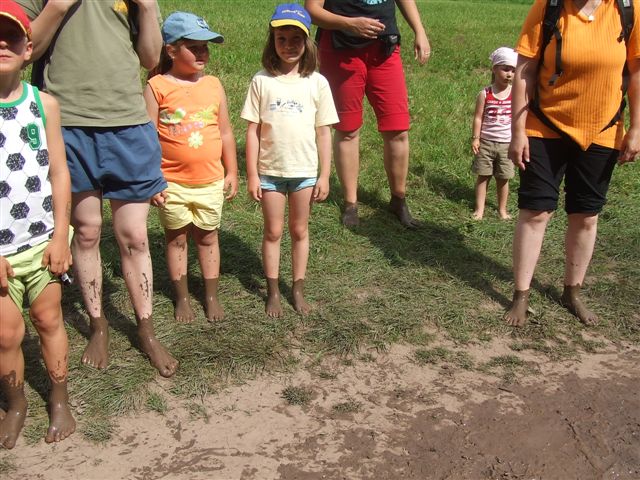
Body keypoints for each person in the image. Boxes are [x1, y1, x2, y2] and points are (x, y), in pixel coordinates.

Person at [16, 0, 178, 376]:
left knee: (135, 236)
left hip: (128, 125)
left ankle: (146, 330)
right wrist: (57, 6)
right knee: (87, 232)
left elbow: (151, 56)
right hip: (67, 124)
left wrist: (149, 8)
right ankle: (98, 324)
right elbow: (28, 50)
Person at [505, 0, 640, 327]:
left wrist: (636, 128)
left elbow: (636, 72)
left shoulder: (629, 8)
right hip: (544, 125)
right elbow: (525, 69)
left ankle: (572, 292)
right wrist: (517, 131)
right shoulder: (549, 6)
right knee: (535, 211)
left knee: (586, 215)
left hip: (603, 129)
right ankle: (520, 295)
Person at [0, 0, 75, 448]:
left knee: (49, 319)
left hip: (42, 240)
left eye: (10, 36)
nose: (0, 44)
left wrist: (61, 234)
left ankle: (59, 400)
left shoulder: (43, 103)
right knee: (7, 333)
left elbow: (60, 173)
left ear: (29, 48)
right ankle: (15, 403)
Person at [241, 3, 338, 317]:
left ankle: (297, 288)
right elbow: (253, 132)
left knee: (299, 231)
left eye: (296, 39)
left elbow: (324, 133)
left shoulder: (317, 83)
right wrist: (253, 175)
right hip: (269, 172)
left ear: (307, 42)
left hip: (304, 173)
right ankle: (272, 291)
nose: (289, 46)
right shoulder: (261, 81)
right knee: (272, 232)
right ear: (273, 41)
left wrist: (324, 175)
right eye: (282, 39)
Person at [144, 12, 238, 324]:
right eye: (194, 47)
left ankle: (211, 295)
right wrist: (151, 179)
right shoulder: (157, 86)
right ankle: (182, 297)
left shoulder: (213, 85)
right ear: (171, 50)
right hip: (171, 183)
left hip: (210, 180)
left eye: (206, 47)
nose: (202, 54)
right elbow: (148, 136)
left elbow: (225, 132)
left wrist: (233, 171)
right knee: (177, 238)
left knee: (208, 237)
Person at [304, 0, 430, 228]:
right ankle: (351, 203)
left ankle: (398, 199)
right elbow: (312, 10)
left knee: (397, 128)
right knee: (348, 129)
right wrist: (349, 24)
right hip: (340, 51)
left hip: (384, 50)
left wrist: (419, 30)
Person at [470, 47, 517, 220]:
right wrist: (476, 138)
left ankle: (502, 209)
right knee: (483, 176)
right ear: (494, 69)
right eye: (505, 69)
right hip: (486, 142)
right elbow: (478, 118)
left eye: (513, 70)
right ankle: (479, 209)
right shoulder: (485, 94)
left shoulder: (515, 94)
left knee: (503, 178)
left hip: (507, 143)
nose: (509, 74)